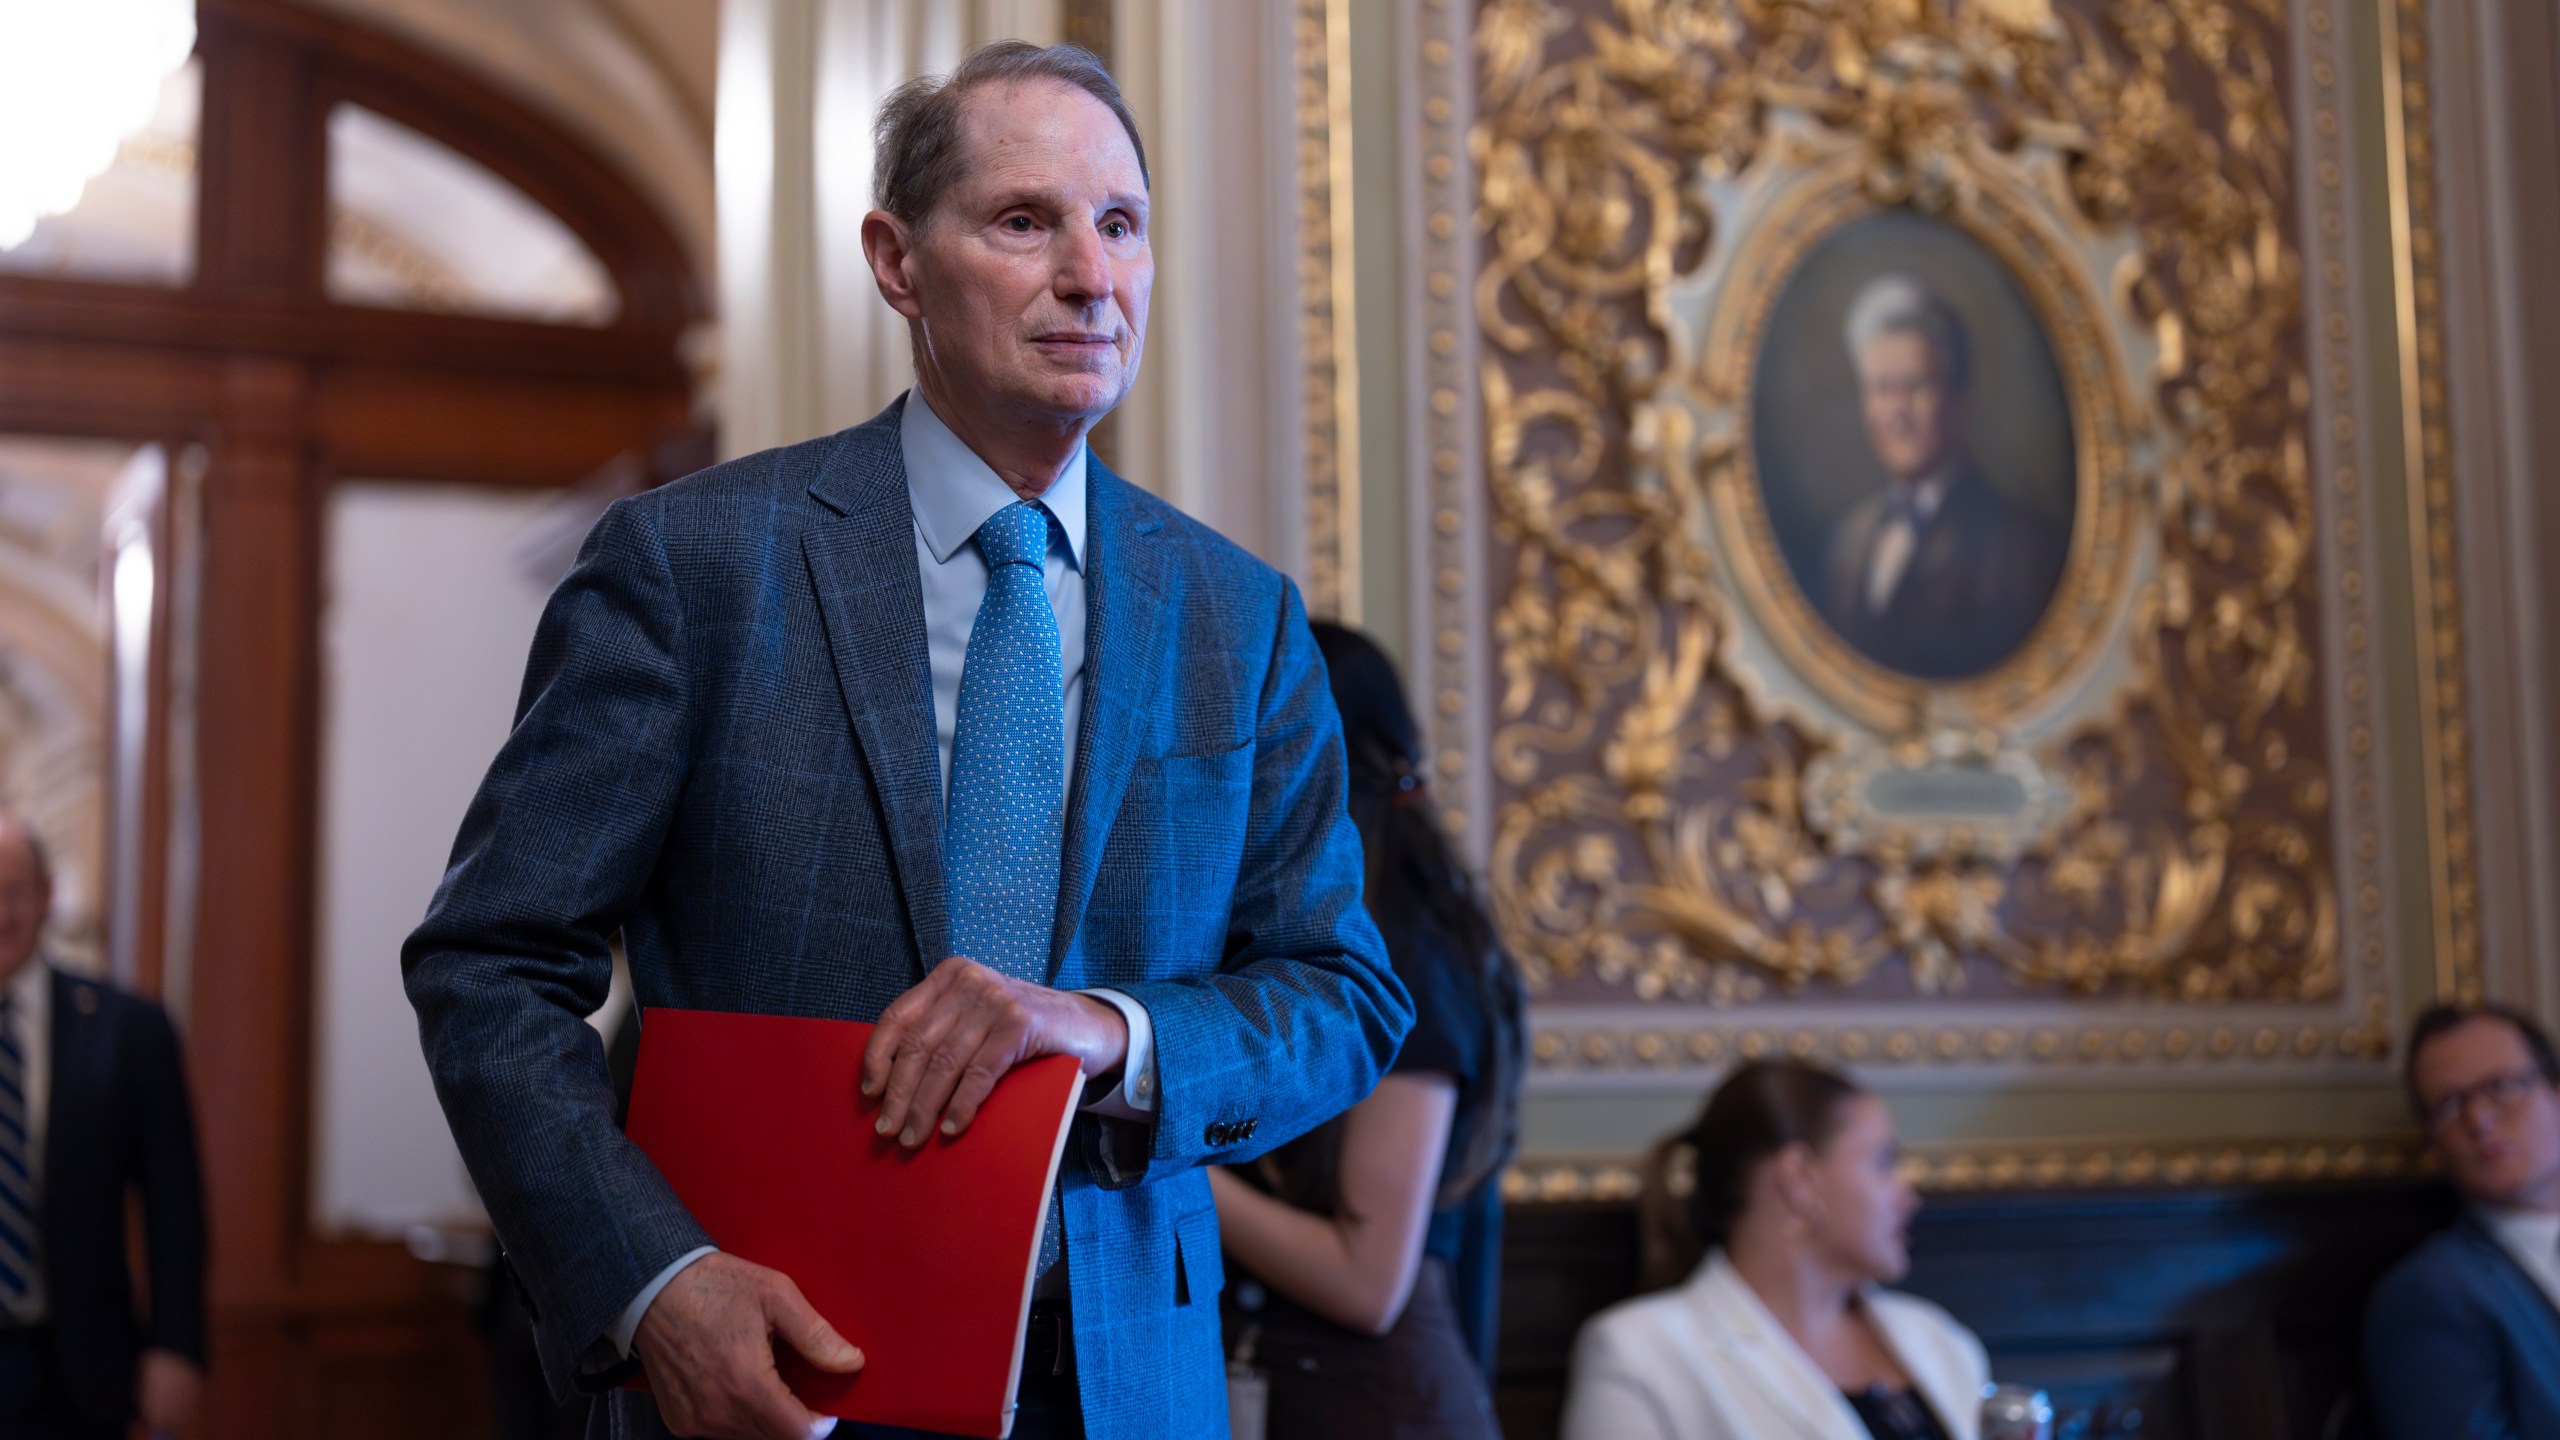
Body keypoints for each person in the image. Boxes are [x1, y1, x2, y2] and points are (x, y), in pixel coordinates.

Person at [402, 40, 1410, 1440]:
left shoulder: (1238, 617)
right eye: (1024, 221)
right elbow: (491, 966)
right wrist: (655, 1283)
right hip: (773, 1368)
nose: (1091, 274)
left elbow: (1342, 997)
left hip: (1125, 1385)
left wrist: (1108, 1030)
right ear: (895, 259)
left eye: (1121, 225)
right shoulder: (697, 566)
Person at [1210, 623, 1524, 1439]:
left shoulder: (1409, 952)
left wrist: (1167, 1164)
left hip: (1380, 1406)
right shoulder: (1347, 928)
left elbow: (1368, 1281)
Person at [1561, 1061, 1986, 1440]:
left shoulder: (1940, 1340)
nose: (1907, 1196)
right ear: (1799, 1179)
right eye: (1883, 1162)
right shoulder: (1637, 1355)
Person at [0, 811, 206, 1440]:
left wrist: (176, 1346)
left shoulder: (130, 1028)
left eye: (12, 892)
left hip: (79, 1370)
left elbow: (175, 1203)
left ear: (46, 896)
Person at [1820, 275, 2068, 680]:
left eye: (1915, 386)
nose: (1896, 412)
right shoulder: (1850, 539)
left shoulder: (2022, 549)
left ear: (1959, 399)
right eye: (1881, 389)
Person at [2364, 1003, 2560, 1438]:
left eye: (2502, 1086)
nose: (2479, 1120)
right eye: (2450, 1105)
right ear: (2432, 1143)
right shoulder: (2430, 1297)